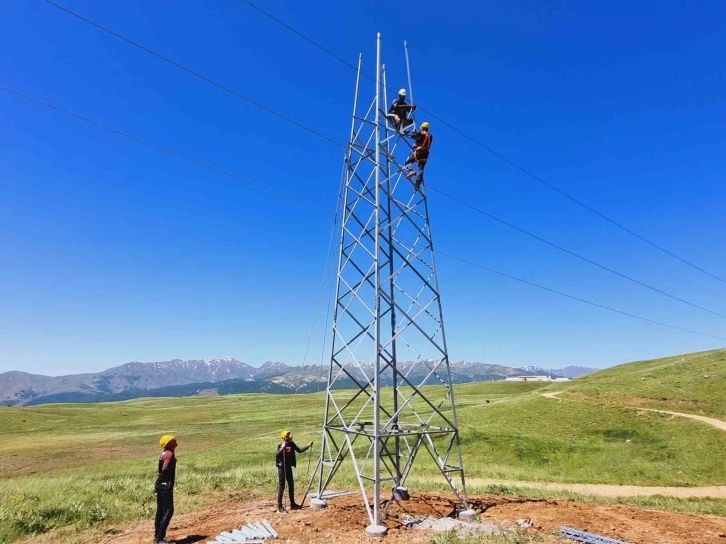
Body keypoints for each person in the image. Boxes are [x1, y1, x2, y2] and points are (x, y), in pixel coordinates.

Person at [276, 429, 313, 513]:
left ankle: (293, 504)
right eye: (288, 435)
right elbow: (277, 455)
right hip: (282, 468)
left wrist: (308, 446)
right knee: (282, 487)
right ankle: (279, 506)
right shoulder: (281, 445)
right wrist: (282, 448)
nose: (290, 435)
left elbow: (299, 450)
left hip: (288, 467)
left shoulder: (292, 444)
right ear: (285, 438)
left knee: (291, 485)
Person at [154, 435, 177, 544]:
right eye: (172, 440)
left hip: (160, 484)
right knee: (168, 510)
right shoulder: (169, 454)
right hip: (165, 486)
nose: (175, 440)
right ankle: (160, 539)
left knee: (160, 510)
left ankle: (157, 536)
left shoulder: (165, 453)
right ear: (169, 444)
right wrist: (166, 481)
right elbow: (164, 468)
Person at [405, 122, 433, 191]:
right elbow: (422, 141)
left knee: (407, 162)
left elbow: (413, 136)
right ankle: (418, 183)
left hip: (419, 151)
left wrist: (414, 132)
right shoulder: (430, 136)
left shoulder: (421, 133)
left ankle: (411, 171)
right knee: (421, 168)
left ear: (422, 127)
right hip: (426, 153)